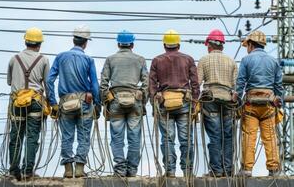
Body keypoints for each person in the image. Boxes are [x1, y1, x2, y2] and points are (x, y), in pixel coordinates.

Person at [46, 25, 100, 178]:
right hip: (84, 103)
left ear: (73, 40)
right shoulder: (88, 59)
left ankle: (68, 169)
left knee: (67, 137)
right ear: (85, 43)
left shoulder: (61, 57)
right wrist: (97, 104)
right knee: (83, 136)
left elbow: (49, 80)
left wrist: (53, 103)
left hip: (65, 104)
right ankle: (79, 168)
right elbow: (95, 85)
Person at [149, 29, 200, 177]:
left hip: (164, 104)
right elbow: (195, 84)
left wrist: (154, 103)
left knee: (167, 139)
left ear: (165, 45)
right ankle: (188, 171)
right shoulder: (188, 59)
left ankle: (170, 171)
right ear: (178, 44)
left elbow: (151, 85)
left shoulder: (157, 60)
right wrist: (195, 101)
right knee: (186, 139)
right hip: (184, 103)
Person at [100, 30, 148, 177]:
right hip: (134, 101)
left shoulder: (110, 59)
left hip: (116, 101)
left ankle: (120, 170)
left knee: (117, 137)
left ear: (118, 44)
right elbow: (146, 83)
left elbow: (103, 83)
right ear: (132, 44)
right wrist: (142, 100)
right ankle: (132, 170)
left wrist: (106, 100)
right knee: (134, 137)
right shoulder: (140, 60)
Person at [235, 30, 283, 177]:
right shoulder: (273, 61)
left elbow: (241, 82)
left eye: (247, 45)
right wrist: (278, 99)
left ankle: (247, 169)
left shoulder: (246, 60)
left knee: (249, 136)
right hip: (269, 104)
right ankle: (274, 169)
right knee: (269, 137)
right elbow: (278, 85)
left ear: (250, 44)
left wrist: (236, 98)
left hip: (251, 103)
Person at [7, 27, 50, 180]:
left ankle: (13, 171)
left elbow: (9, 82)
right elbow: (47, 84)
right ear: (39, 44)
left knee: (16, 136)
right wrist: (52, 104)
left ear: (25, 41)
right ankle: (27, 171)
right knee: (32, 137)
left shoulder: (14, 59)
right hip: (35, 102)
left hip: (17, 102)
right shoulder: (43, 60)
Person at [197, 29, 238, 177]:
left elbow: (197, 82)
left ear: (209, 46)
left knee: (215, 136)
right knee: (228, 136)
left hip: (210, 100)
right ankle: (228, 170)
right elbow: (236, 86)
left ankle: (216, 171)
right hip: (227, 100)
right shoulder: (231, 61)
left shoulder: (203, 60)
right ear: (222, 46)